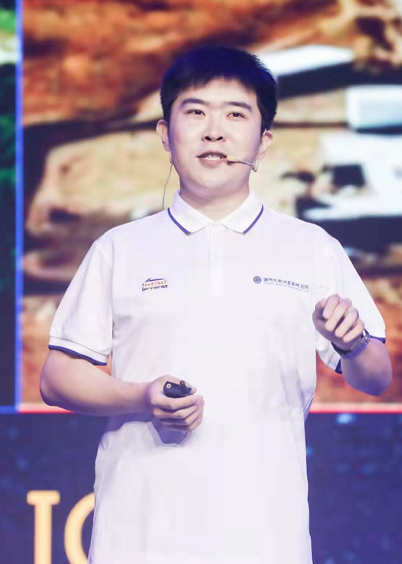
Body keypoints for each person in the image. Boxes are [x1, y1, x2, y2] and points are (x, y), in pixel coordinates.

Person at [40, 45, 392, 564]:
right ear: (166, 135)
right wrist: (141, 396)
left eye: (235, 115)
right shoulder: (120, 248)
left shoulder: (311, 247)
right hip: (137, 537)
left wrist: (353, 341)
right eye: (196, 112)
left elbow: (376, 376)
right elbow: (56, 378)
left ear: (264, 141)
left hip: (265, 539)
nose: (214, 132)